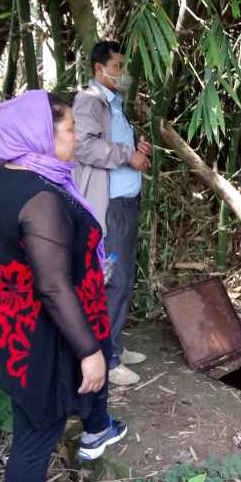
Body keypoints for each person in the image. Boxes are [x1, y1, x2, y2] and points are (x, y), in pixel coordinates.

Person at [0, 90, 128, 482]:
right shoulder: (41, 198)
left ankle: (96, 430)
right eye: (69, 128)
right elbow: (51, 286)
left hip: (14, 328)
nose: (76, 135)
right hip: (40, 341)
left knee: (32, 434)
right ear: (42, 135)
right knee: (33, 444)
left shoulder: (8, 178)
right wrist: (89, 352)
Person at [73, 41, 152, 386]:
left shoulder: (115, 103)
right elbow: (82, 145)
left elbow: (115, 149)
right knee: (112, 280)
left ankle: (114, 342)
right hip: (107, 208)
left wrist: (137, 149)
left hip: (125, 204)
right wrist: (126, 154)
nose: (123, 73)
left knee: (122, 278)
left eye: (123, 65)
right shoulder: (88, 102)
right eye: (117, 66)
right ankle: (108, 357)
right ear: (98, 68)